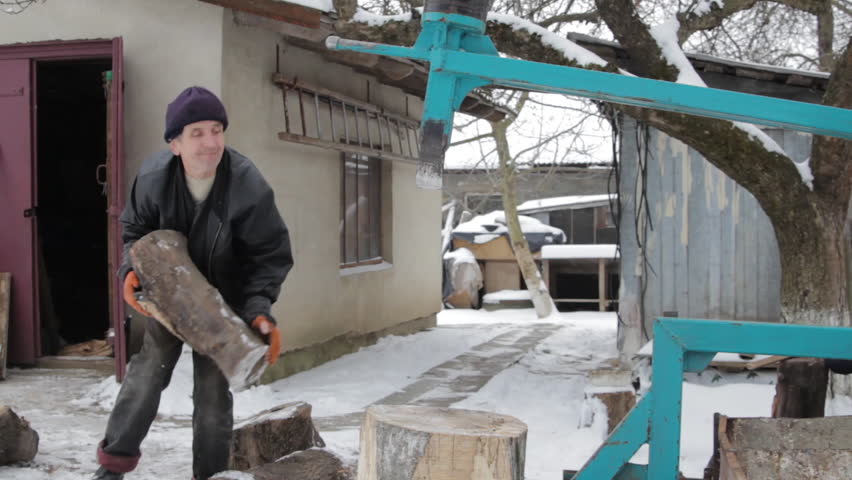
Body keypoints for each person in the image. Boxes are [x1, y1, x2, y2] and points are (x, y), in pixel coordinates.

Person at [92, 86, 294, 480]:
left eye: (217, 130)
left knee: (213, 395)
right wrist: (130, 271)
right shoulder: (153, 179)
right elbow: (134, 230)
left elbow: (268, 255)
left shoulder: (246, 184)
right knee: (148, 372)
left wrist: (257, 310)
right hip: (170, 293)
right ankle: (113, 465)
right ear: (175, 144)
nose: (210, 142)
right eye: (197, 133)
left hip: (224, 304)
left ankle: (211, 475)